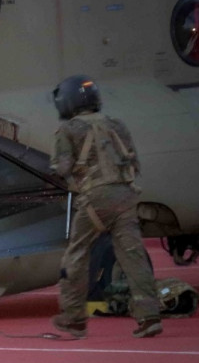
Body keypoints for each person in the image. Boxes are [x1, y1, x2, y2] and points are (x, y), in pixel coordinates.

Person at [49, 75, 162, 339]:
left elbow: (62, 168)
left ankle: (74, 318)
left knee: (75, 257)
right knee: (133, 256)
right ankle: (149, 316)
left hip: (94, 200)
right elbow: (133, 162)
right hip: (125, 196)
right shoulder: (116, 125)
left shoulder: (68, 131)